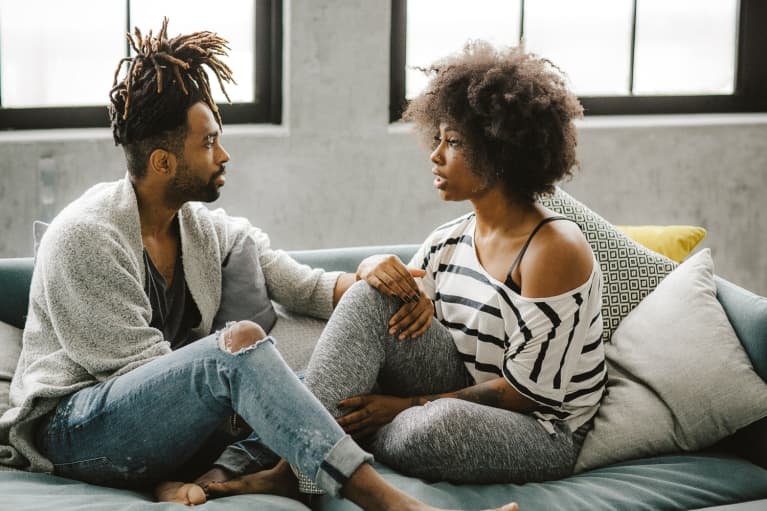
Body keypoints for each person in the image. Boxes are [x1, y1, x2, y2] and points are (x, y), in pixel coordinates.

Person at [0, 20, 518, 511]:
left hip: (154, 423)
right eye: (207, 143)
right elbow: (144, 377)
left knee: (301, 378)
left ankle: (218, 476)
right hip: (75, 428)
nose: (223, 155)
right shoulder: (86, 237)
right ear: (162, 163)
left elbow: (303, 285)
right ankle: (390, 503)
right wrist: (268, 395)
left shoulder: (199, 228)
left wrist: (373, 276)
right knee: (247, 353)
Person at [300, 42, 606, 484]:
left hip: (541, 428)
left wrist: (404, 406)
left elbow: (526, 394)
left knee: (431, 429)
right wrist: (375, 271)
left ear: (501, 153)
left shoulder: (553, 248)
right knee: (372, 298)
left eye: (455, 142)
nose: (435, 154)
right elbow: (393, 321)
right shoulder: (448, 241)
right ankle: (300, 466)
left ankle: (322, 450)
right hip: (454, 385)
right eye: (437, 137)